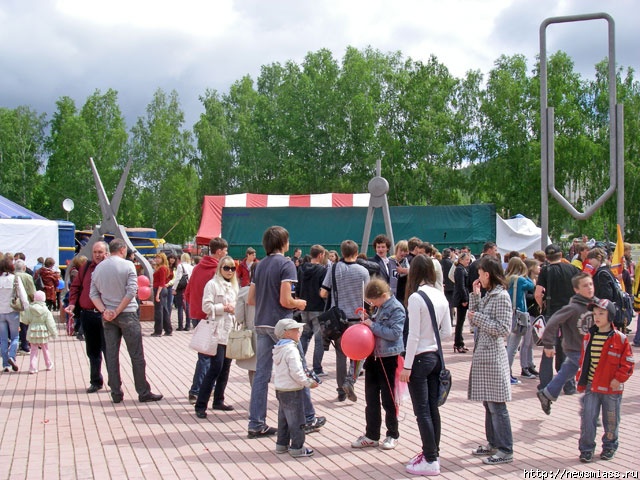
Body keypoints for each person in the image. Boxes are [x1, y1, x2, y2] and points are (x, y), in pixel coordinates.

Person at [248, 226, 324, 438]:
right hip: (281, 323)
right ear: (283, 243)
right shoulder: (286, 264)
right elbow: (285, 300)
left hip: (261, 321)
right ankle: (308, 417)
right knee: (299, 368)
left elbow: (251, 299)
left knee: (261, 375)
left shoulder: (259, 265)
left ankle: (256, 422)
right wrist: (298, 303)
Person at [89, 238, 162, 404]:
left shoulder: (98, 268)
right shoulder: (128, 265)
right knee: (136, 354)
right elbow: (131, 291)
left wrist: (105, 311)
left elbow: (93, 294)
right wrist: (118, 310)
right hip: (127, 313)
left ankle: (116, 392)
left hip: (108, 316)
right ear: (122, 249)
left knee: (111, 354)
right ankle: (143, 391)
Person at [400, 254, 452, 476]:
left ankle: (430, 459)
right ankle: (433, 453)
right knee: (432, 409)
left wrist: (407, 366)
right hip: (436, 357)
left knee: (422, 411)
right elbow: (447, 332)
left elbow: (412, 336)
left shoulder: (415, 298)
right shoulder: (440, 295)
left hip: (419, 358)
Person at [467, 255, 514, 465]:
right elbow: (477, 316)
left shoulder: (501, 296)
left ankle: (505, 448)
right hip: (485, 355)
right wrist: (475, 296)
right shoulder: (489, 294)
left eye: (480, 273)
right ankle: (493, 443)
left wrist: (477, 317)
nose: (478, 276)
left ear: (487, 274)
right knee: (489, 403)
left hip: (493, 356)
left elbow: (503, 328)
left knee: (497, 406)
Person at [576, 299, 634, 463]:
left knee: (611, 420)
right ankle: (586, 448)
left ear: (611, 316)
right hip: (592, 386)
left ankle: (609, 446)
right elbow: (583, 360)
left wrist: (619, 379)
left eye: (601, 313)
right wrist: (580, 377)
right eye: (594, 314)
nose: (597, 317)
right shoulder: (589, 337)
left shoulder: (620, 339)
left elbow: (628, 362)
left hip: (611, 388)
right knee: (588, 419)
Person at [351, 278, 405, 451]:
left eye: (374, 301)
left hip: (389, 358)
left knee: (389, 400)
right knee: (371, 398)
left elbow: (395, 333)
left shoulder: (396, 308)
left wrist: (372, 325)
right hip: (374, 357)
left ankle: (392, 434)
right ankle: (372, 435)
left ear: (383, 296)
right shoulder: (381, 307)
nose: (372, 304)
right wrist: (369, 319)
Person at [536, 272, 595, 415]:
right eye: (585, 286)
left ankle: (547, 393)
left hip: (591, 349)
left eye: (591, 284)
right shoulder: (573, 307)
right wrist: (549, 344)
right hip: (575, 348)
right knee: (588, 377)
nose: (590, 288)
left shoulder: (596, 305)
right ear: (576, 290)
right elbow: (553, 323)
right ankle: (589, 408)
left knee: (570, 372)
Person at [320, 239, 370, 402]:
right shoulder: (363, 271)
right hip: (358, 319)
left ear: (342, 253)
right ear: (356, 253)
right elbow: (368, 297)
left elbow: (323, 293)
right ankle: (351, 380)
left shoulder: (334, 269)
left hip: (339, 320)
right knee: (359, 354)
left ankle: (341, 389)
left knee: (341, 354)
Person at [185, 237, 229, 404]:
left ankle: (201, 389)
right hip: (213, 317)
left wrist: (195, 308)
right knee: (209, 357)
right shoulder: (216, 271)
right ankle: (197, 390)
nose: (226, 253)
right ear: (219, 252)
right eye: (225, 251)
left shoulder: (197, 268)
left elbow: (188, 292)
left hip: (198, 315)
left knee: (205, 354)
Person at [194, 256, 238, 418]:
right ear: (220, 268)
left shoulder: (234, 286)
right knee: (215, 367)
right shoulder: (212, 284)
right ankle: (201, 403)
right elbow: (206, 306)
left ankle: (218, 399)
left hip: (230, 331)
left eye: (232, 268)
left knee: (225, 368)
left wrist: (235, 311)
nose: (229, 271)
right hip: (217, 329)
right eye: (226, 268)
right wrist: (223, 308)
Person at [535, 244, 581, 393]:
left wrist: (542, 306)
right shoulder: (573, 269)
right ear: (561, 254)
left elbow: (538, 293)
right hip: (570, 313)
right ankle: (569, 385)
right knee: (567, 348)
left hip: (552, 313)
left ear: (547, 257)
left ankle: (545, 384)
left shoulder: (546, 271)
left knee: (549, 347)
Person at [66, 242, 109, 393]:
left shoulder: (110, 268)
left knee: (109, 350)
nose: (97, 255)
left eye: (100, 252)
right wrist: (72, 303)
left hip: (106, 316)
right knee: (92, 351)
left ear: (107, 253)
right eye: (95, 252)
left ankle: (114, 382)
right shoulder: (85, 268)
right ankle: (95, 381)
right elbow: (76, 287)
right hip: (88, 314)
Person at [273, 318, 319, 458]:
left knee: (284, 418)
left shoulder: (279, 348)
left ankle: (282, 444)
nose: (299, 331)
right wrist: (308, 383)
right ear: (286, 333)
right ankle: (297, 447)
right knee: (297, 420)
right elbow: (297, 372)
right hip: (293, 390)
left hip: (281, 388)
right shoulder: (291, 350)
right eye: (295, 329)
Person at [297, 244, 328, 377]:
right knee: (319, 339)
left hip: (304, 306)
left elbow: (297, 287)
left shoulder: (301, 268)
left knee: (305, 335)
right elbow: (324, 291)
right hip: (318, 307)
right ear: (320, 255)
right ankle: (317, 368)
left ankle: (300, 365)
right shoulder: (322, 270)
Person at [504, 257, 535, 383]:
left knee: (510, 343)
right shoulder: (521, 279)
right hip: (519, 313)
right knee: (513, 346)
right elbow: (532, 285)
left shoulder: (506, 279)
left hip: (508, 312)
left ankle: (506, 372)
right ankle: (507, 373)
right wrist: (526, 273)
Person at [0, 254, 27, 372]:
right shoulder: (15, 278)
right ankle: (12, 356)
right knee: (15, 336)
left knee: (3, 339)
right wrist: (26, 307)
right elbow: (22, 294)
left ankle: (5, 363)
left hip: (1, 312)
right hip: (13, 311)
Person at [22, 290, 57, 374]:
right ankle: (48, 364)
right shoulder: (46, 310)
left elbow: (25, 320)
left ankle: (32, 368)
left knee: (33, 350)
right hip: (43, 332)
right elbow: (50, 323)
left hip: (33, 331)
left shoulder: (29, 309)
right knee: (45, 349)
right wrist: (54, 333)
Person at [235, 262, 257, 385]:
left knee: (253, 368)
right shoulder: (272, 290)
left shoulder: (243, 292)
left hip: (251, 332)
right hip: (270, 332)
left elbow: (239, 317)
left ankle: (256, 397)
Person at [14, 259, 36, 354]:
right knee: (24, 326)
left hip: (13, 303)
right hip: (25, 303)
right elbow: (32, 292)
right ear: (24, 267)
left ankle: (15, 344)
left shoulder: (12, 276)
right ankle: (24, 345)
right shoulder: (27, 277)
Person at [452, 252, 471, 353]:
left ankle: (459, 342)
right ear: (461, 260)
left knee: (461, 321)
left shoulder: (462, 269)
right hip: (461, 299)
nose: (468, 262)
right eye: (466, 260)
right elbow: (461, 285)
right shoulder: (459, 269)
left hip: (462, 297)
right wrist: (464, 299)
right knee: (460, 322)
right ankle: (458, 343)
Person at [151, 252, 172, 337]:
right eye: (156, 258)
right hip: (161, 289)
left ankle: (158, 330)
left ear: (163, 259)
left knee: (159, 311)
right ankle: (168, 329)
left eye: (159, 258)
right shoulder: (161, 268)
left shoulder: (162, 268)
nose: (157, 259)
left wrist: (157, 294)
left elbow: (162, 282)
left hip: (160, 289)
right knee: (163, 310)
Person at [173, 253, 194, 331]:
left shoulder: (180, 266)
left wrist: (174, 288)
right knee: (187, 307)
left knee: (180, 307)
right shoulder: (191, 267)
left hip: (181, 288)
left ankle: (180, 325)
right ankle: (188, 324)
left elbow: (178, 278)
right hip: (189, 287)